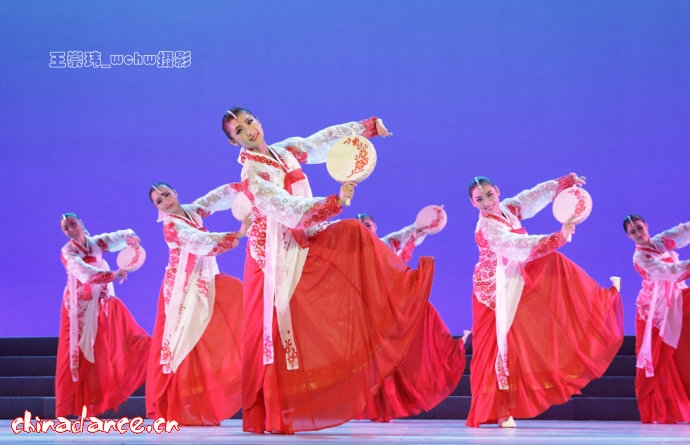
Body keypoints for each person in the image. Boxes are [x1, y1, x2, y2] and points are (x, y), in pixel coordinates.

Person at [221, 106, 435, 434]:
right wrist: (333, 202)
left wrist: (367, 128)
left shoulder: (285, 151)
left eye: (249, 121)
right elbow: (285, 207)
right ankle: (275, 411)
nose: (249, 130)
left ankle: (397, 292)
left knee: (354, 233)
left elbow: (321, 142)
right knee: (272, 331)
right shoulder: (252, 173)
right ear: (233, 142)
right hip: (273, 254)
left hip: (304, 235)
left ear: (259, 120)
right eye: (239, 131)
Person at [466, 174, 624, 428]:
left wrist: (563, 183)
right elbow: (515, 244)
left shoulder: (508, 209)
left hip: (515, 274)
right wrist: (557, 238)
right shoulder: (487, 227)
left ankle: (597, 304)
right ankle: (499, 410)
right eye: (479, 199)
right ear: (473, 203)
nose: (486, 201)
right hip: (493, 291)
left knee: (555, 263)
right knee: (495, 349)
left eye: (489, 194)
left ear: (497, 191)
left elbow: (531, 196)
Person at [147, 182, 250, 426]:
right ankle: (181, 405)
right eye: (159, 200)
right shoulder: (171, 226)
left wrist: (243, 187)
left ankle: (237, 369)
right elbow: (200, 241)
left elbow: (215, 198)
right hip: (182, 287)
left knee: (238, 296)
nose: (165, 200)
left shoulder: (193, 211)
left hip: (205, 276)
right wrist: (238, 234)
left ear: (175, 192)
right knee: (184, 343)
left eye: (166, 194)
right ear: (158, 208)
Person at [355, 212, 466, 422]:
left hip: (391, 309)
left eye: (367, 225)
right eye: (360, 227)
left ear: (375, 227)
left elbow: (407, 233)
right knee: (376, 361)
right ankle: (377, 407)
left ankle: (390, 404)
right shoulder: (354, 253)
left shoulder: (387, 244)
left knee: (400, 350)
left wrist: (422, 226)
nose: (364, 229)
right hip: (371, 313)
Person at [56, 213, 150, 418]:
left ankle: (97, 399)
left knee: (102, 345)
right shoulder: (68, 251)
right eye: (66, 228)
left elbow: (117, 237)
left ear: (81, 223)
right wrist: (110, 275)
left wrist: (130, 238)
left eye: (73, 223)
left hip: (99, 299)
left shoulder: (96, 243)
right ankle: (78, 405)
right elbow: (82, 270)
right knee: (78, 355)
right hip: (77, 307)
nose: (71, 229)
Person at [623, 214, 690, 423]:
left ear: (646, 226)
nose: (638, 233)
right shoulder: (639, 257)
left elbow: (682, 231)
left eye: (639, 228)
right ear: (629, 236)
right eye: (633, 232)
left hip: (673, 297)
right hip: (654, 309)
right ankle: (660, 409)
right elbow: (669, 271)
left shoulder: (660, 241)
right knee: (657, 358)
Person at [357, 213, 427, 263]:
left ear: (375, 226)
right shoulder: (354, 255)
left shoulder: (389, 242)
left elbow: (409, 232)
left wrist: (427, 220)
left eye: (368, 226)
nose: (364, 230)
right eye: (359, 228)